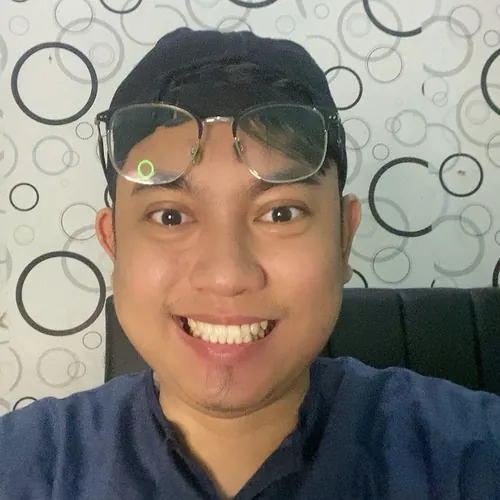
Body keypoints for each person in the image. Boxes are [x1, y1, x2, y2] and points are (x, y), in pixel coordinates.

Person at [0, 28, 499, 500]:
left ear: (344, 238)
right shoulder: (23, 464)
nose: (227, 275)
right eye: (170, 216)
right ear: (114, 243)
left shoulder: (473, 454)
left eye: (281, 213)